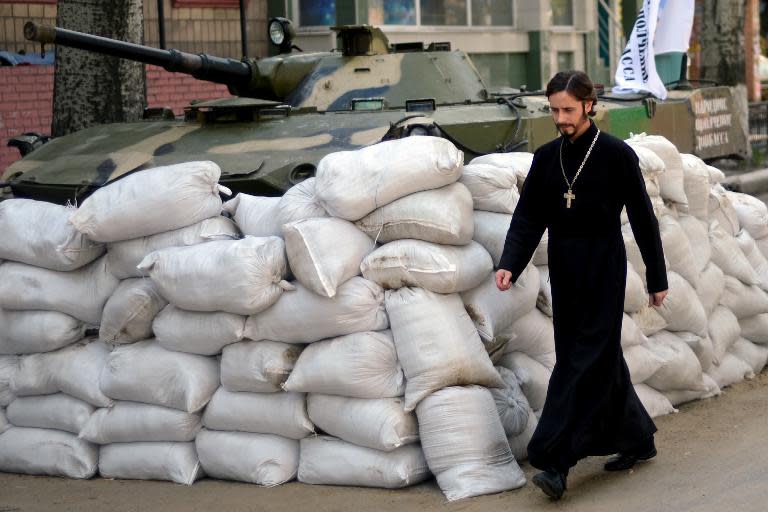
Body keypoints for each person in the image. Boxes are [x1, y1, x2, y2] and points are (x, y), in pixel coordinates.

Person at [495, 70, 669, 500]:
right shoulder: (546, 157)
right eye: (554, 110)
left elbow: (644, 219)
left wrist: (657, 276)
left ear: (589, 105)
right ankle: (637, 437)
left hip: (604, 268)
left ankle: (554, 459)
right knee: (597, 359)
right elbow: (529, 216)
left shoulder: (615, 155)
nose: (561, 118)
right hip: (565, 271)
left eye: (568, 110)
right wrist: (510, 264)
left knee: (579, 362)